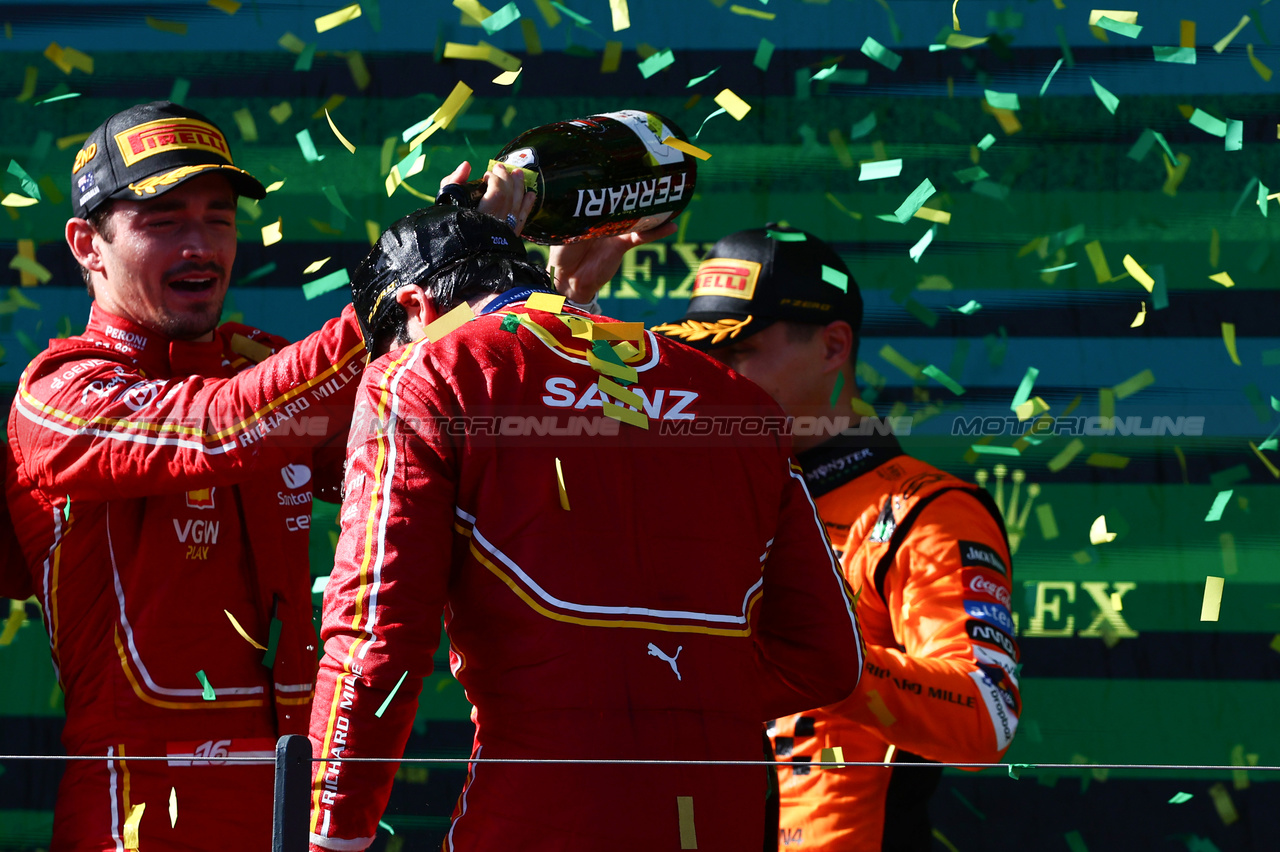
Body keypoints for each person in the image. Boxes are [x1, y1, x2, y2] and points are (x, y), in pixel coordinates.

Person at [307, 205, 865, 851]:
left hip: (540, 818)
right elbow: (828, 661)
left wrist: (326, 834)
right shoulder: (739, 399)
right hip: (720, 820)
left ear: (415, 310)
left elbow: (375, 636)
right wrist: (669, 696)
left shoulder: (423, 372)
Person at [650, 226, 1021, 852]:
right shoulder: (704, 500)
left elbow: (990, 719)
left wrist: (829, 662)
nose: (716, 376)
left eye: (738, 352)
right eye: (704, 356)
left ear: (832, 347)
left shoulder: (925, 512)